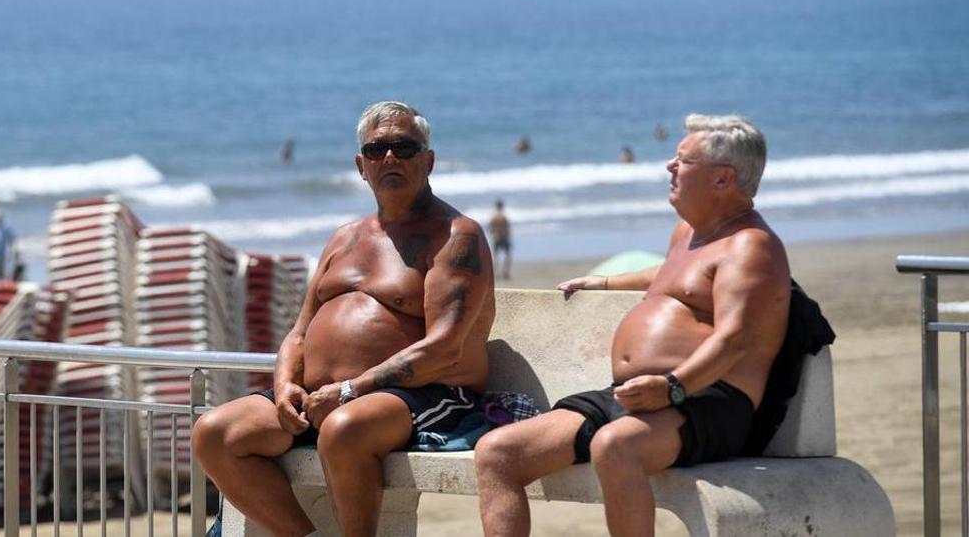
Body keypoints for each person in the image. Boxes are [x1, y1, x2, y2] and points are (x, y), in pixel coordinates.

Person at [475, 115, 790, 536]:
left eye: (684, 160)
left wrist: (673, 386)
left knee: (615, 446)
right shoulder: (690, 232)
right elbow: (676, 276)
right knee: (498, 452)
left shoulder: (752, 246)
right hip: (637, 397)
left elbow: (733, 339)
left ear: (722, 179)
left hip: (707, 400)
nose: (669, 167)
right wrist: (604, 282)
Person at [193, 101, 496, 537]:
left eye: (403, 148)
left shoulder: (454, 235)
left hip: (429, 393)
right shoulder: (345, 237)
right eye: (376, 150)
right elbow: (299, 331)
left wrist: (352, 390)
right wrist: (284, 388)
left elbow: (444, 347)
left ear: (428, 161)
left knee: (343, 428)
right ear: (361, 165)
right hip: (324, 396)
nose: (389, 157)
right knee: (214, 432)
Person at [489, 198, 512, 280]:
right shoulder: (504, 217)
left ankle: (497, 273)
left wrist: (495, 234)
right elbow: (508, 228)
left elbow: (491, 229)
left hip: (497, 238)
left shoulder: (493, 217)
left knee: (496, 256)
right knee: (507, 255)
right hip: (504, 238)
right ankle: (505, 272)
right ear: (502, 206)